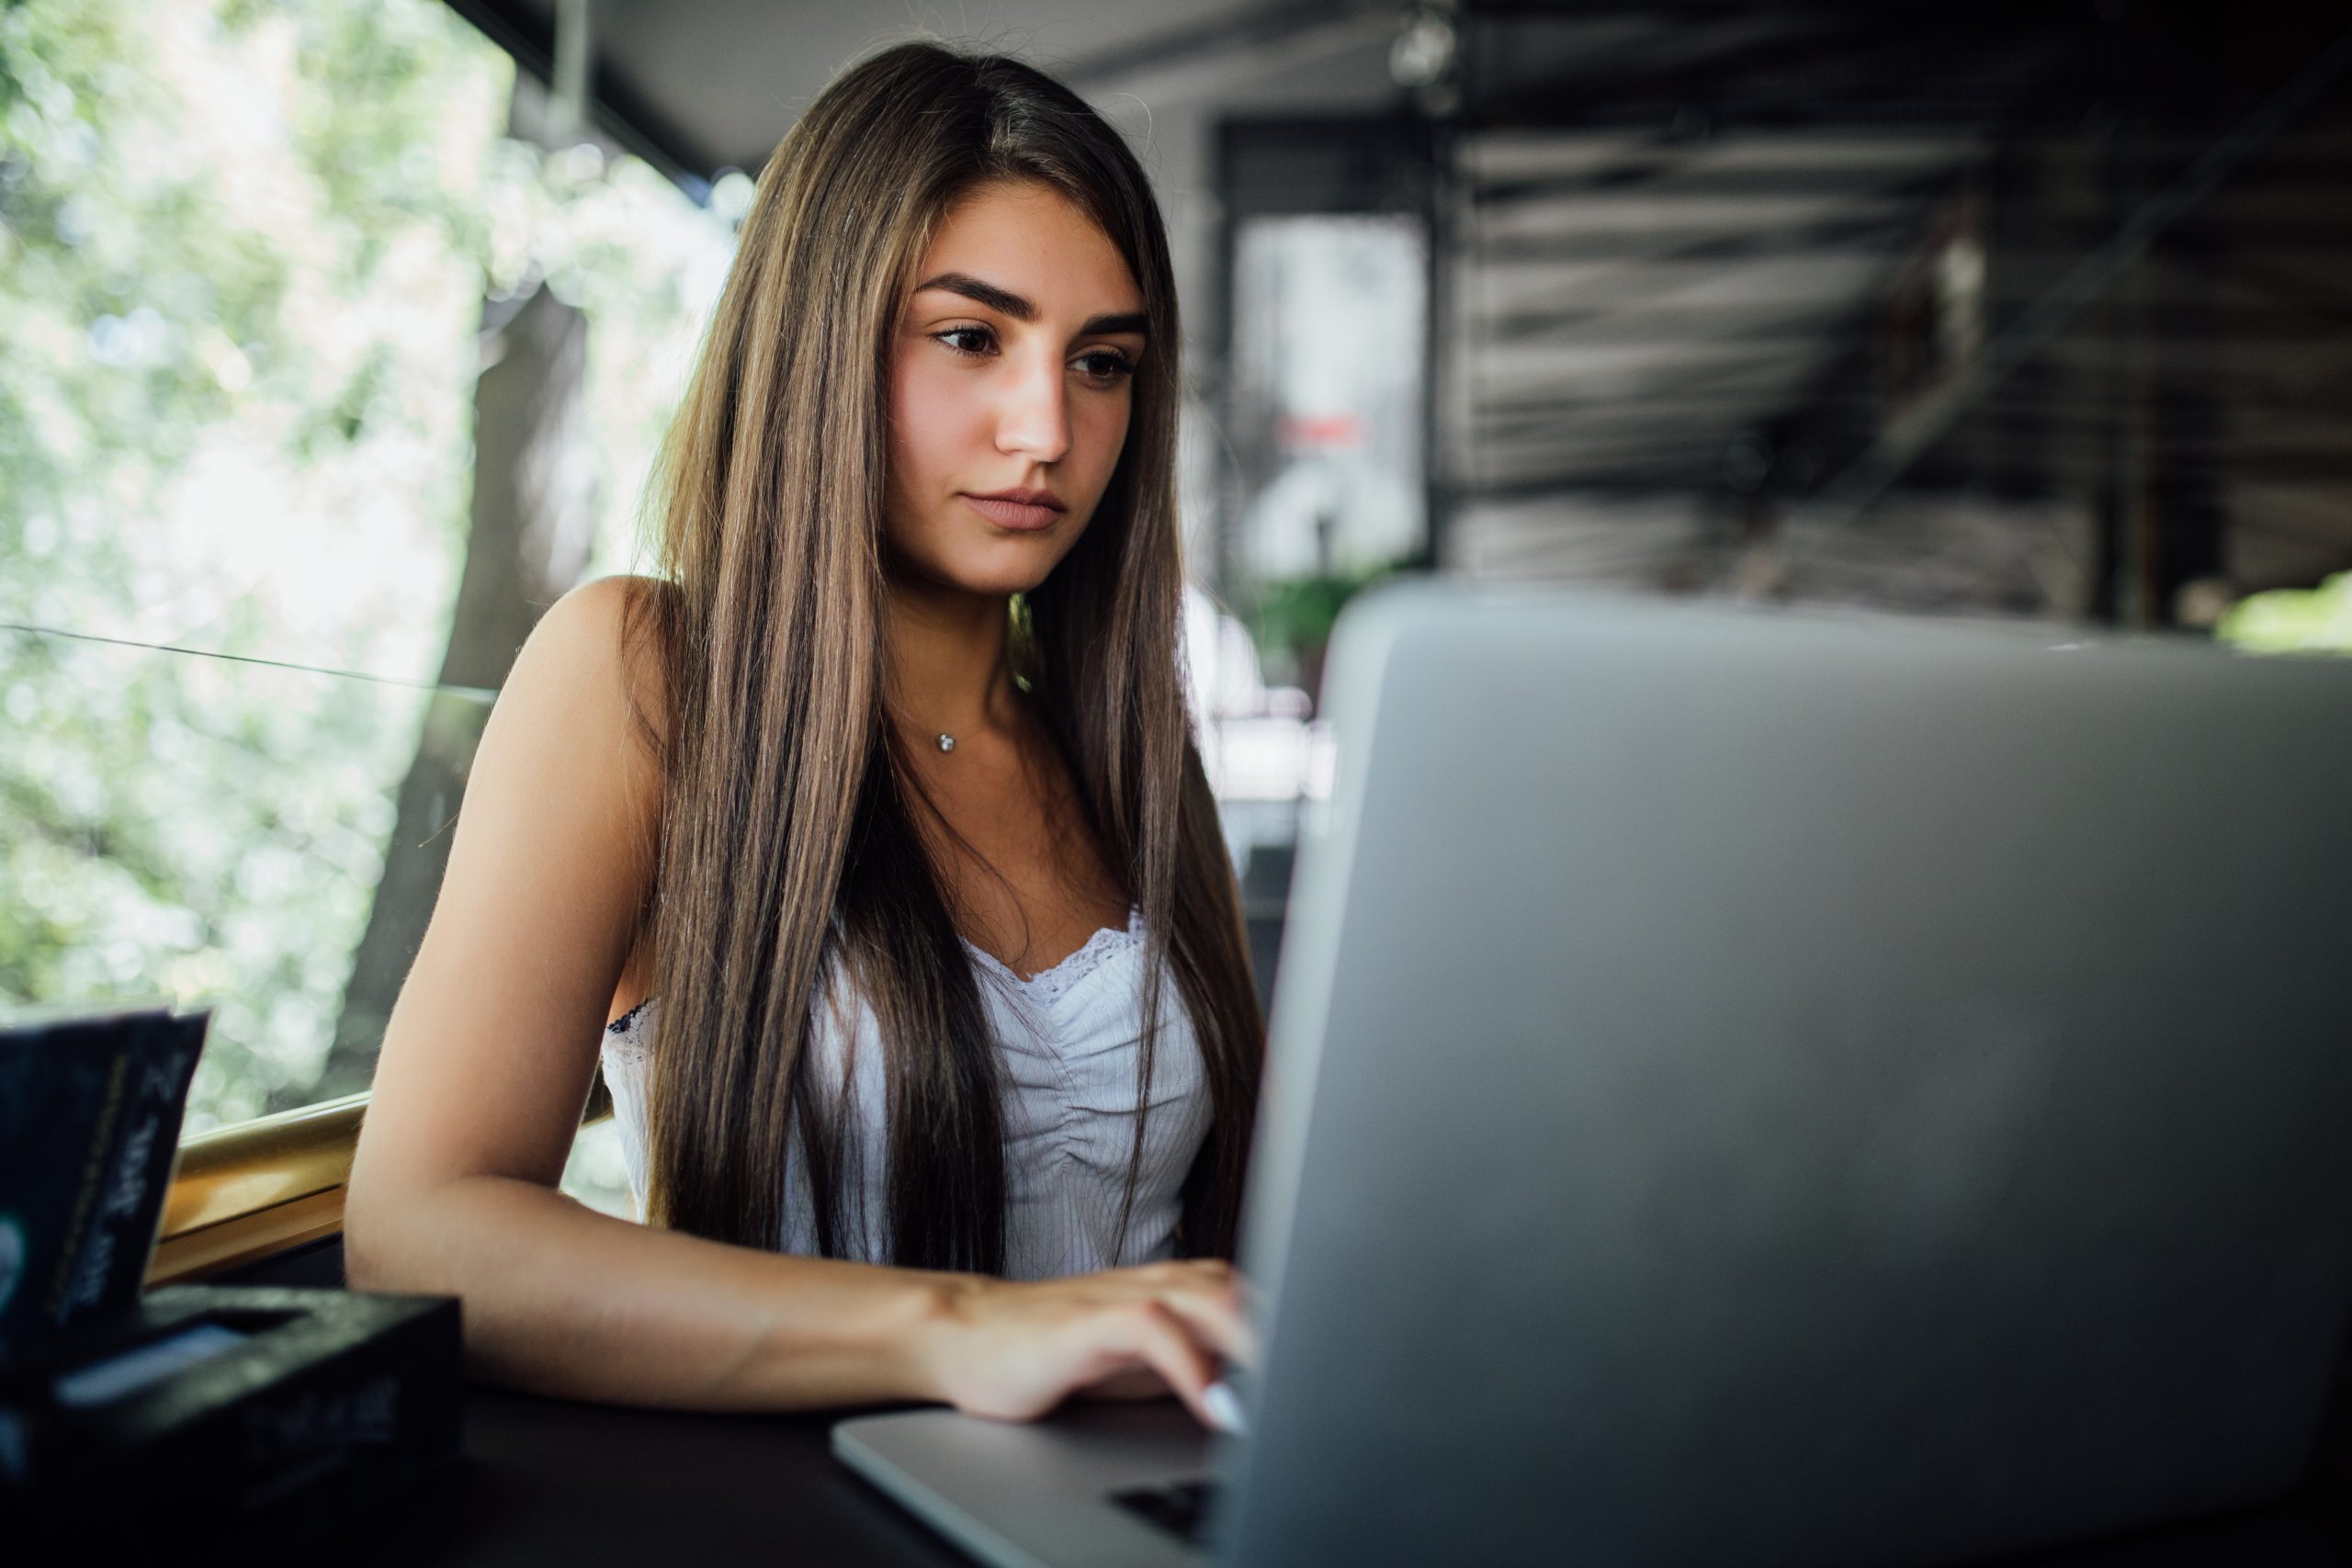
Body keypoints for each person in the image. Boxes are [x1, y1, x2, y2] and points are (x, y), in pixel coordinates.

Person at [344, 41, 1265, 1428]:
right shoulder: (643, 677)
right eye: (971, 337)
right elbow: (421, 1234)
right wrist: (960, 1329)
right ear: (821, 339)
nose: (1048, 429)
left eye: (1104, 363)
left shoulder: (1134, 753)